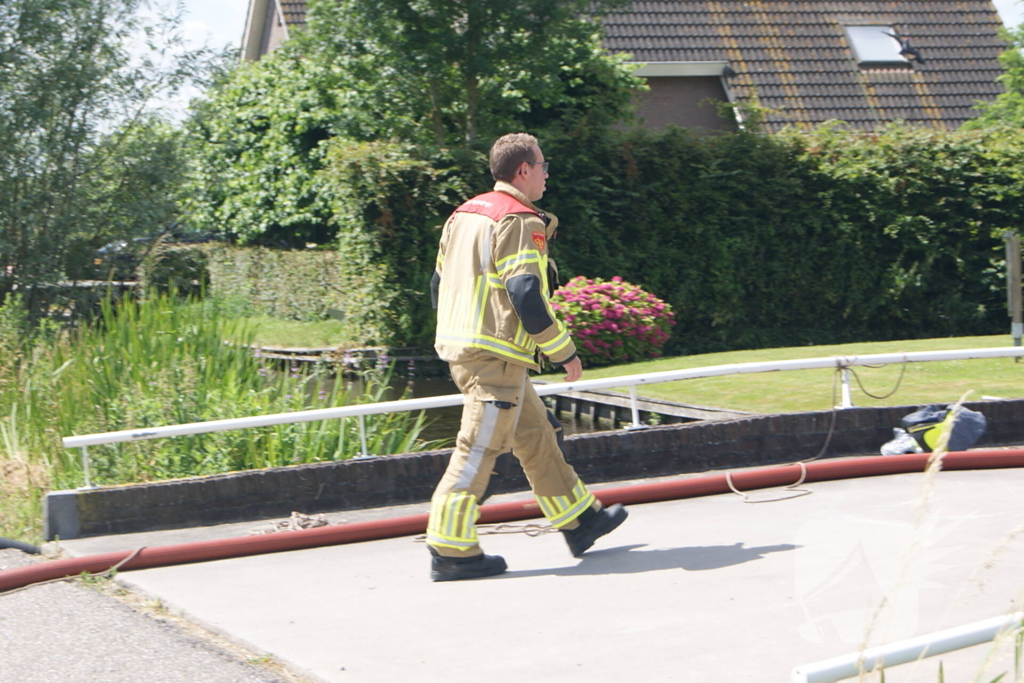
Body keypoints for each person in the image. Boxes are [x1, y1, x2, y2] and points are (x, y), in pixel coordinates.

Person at [426, 132, 628, 582]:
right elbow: (524, 292)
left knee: (537, 432)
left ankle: (580, 520)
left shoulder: (465, 213)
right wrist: (563, 351)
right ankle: (450, 548)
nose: (546, 174)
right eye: (543, 166)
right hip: (492, 355)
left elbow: (438, 284)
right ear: (523, 171)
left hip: (474, 350)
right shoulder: (519, 219)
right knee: (480, 450)